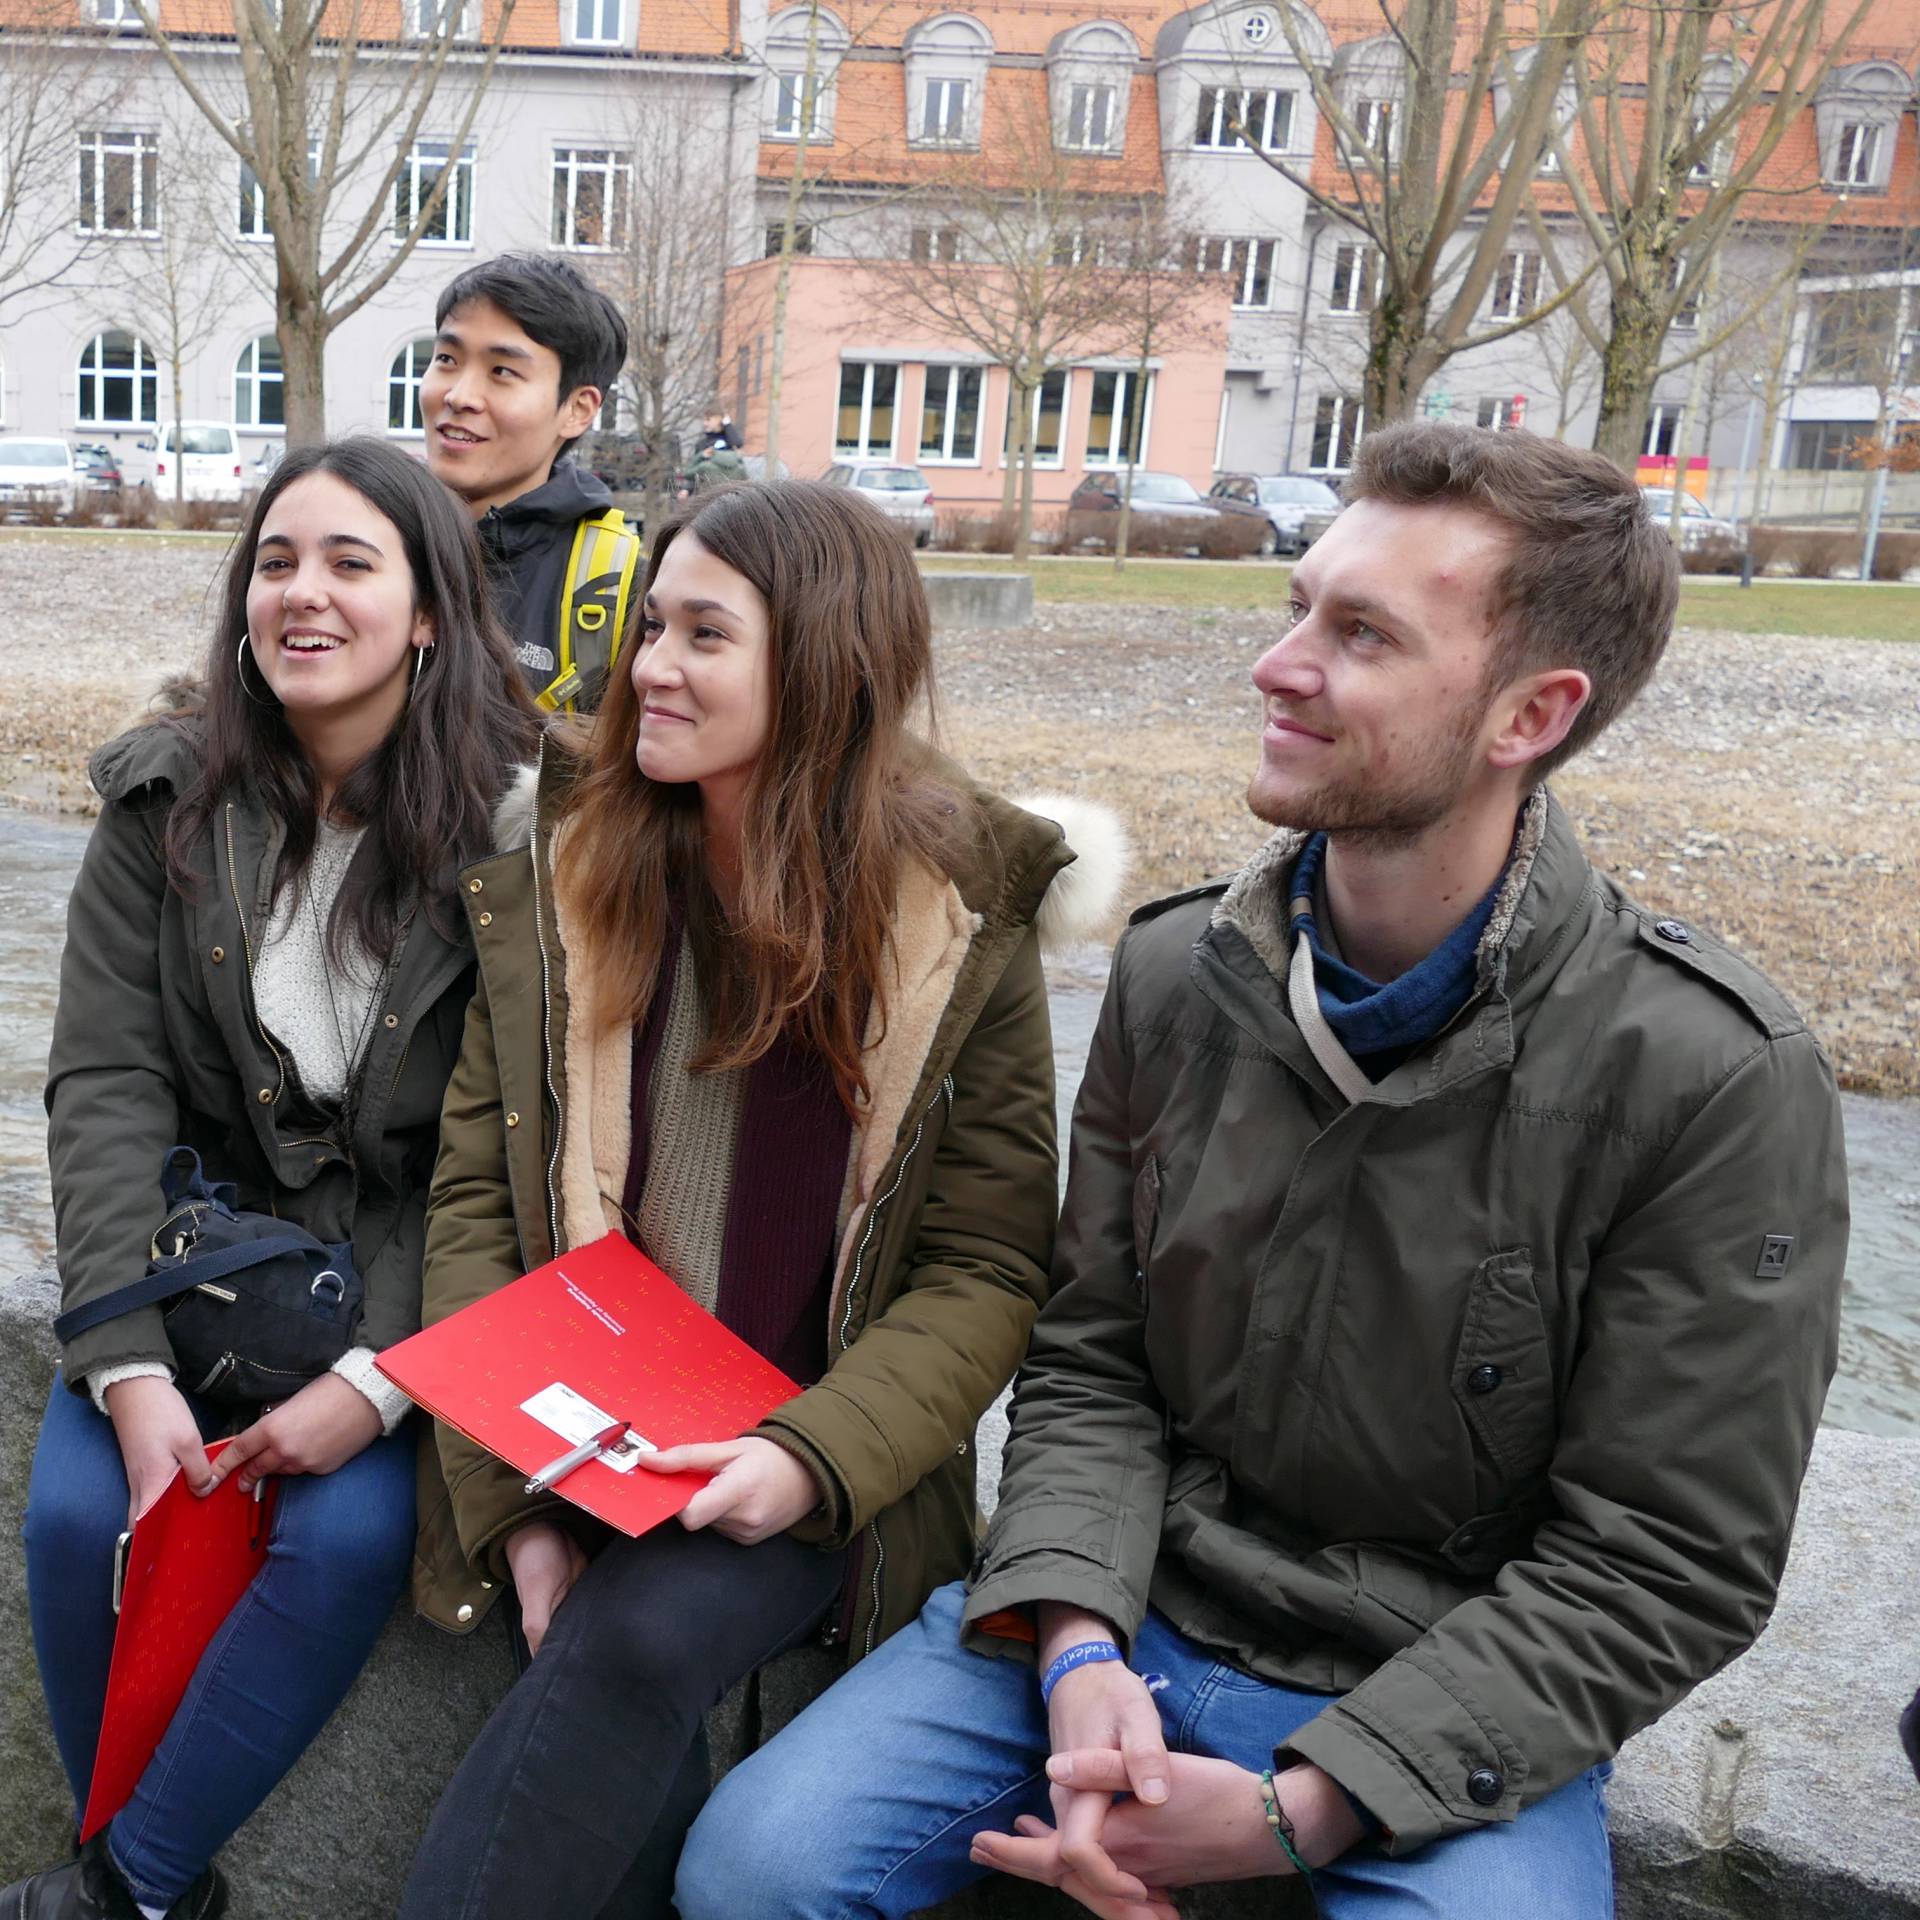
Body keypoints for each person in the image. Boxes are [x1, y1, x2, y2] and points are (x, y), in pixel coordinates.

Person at [673, 422, 1851, 1920]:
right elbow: (1091, 1358)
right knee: (753, 1872)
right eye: (1300, 606)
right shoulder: (1178, 973)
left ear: (1530, 714)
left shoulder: (1714, 1075)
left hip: (1445, 1689)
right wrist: (1080, 1644)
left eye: (1359, 635)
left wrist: (1310, 1810)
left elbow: (1663, 1562)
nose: (1278, 664)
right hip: (1131, 1613)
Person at [398, 479, 1125, 1920]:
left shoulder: (957, 915)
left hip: (808, 1456)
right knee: (600, 1668)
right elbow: (479, 1198)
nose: (649, 668)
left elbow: (985, 1270)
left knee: (635, 1638)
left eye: (704, 637)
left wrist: (806, 1460)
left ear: (823, 672)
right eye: (651, 625)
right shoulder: (572, 868)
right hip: (576, 1427)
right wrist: (514, 1499)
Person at [8, 439, 540, 1920]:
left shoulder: (523, 839)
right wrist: (123, 1366)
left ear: (430, 612)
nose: (301, 594)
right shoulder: (163, 804)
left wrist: (380, 1382)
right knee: (75, 1517)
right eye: (276, 561)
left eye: (351, 565)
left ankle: (121, 1888)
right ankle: (141, 1881)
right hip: (195, 1261)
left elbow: (511, 1156)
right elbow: (103, 1086)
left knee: (348, 1531)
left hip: (398, 1280)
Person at [422, 252, 641, 714]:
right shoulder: (372, 541)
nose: (459, 396)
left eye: (502, 371)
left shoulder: (621, 592)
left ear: (577, 410)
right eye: (446, 358)